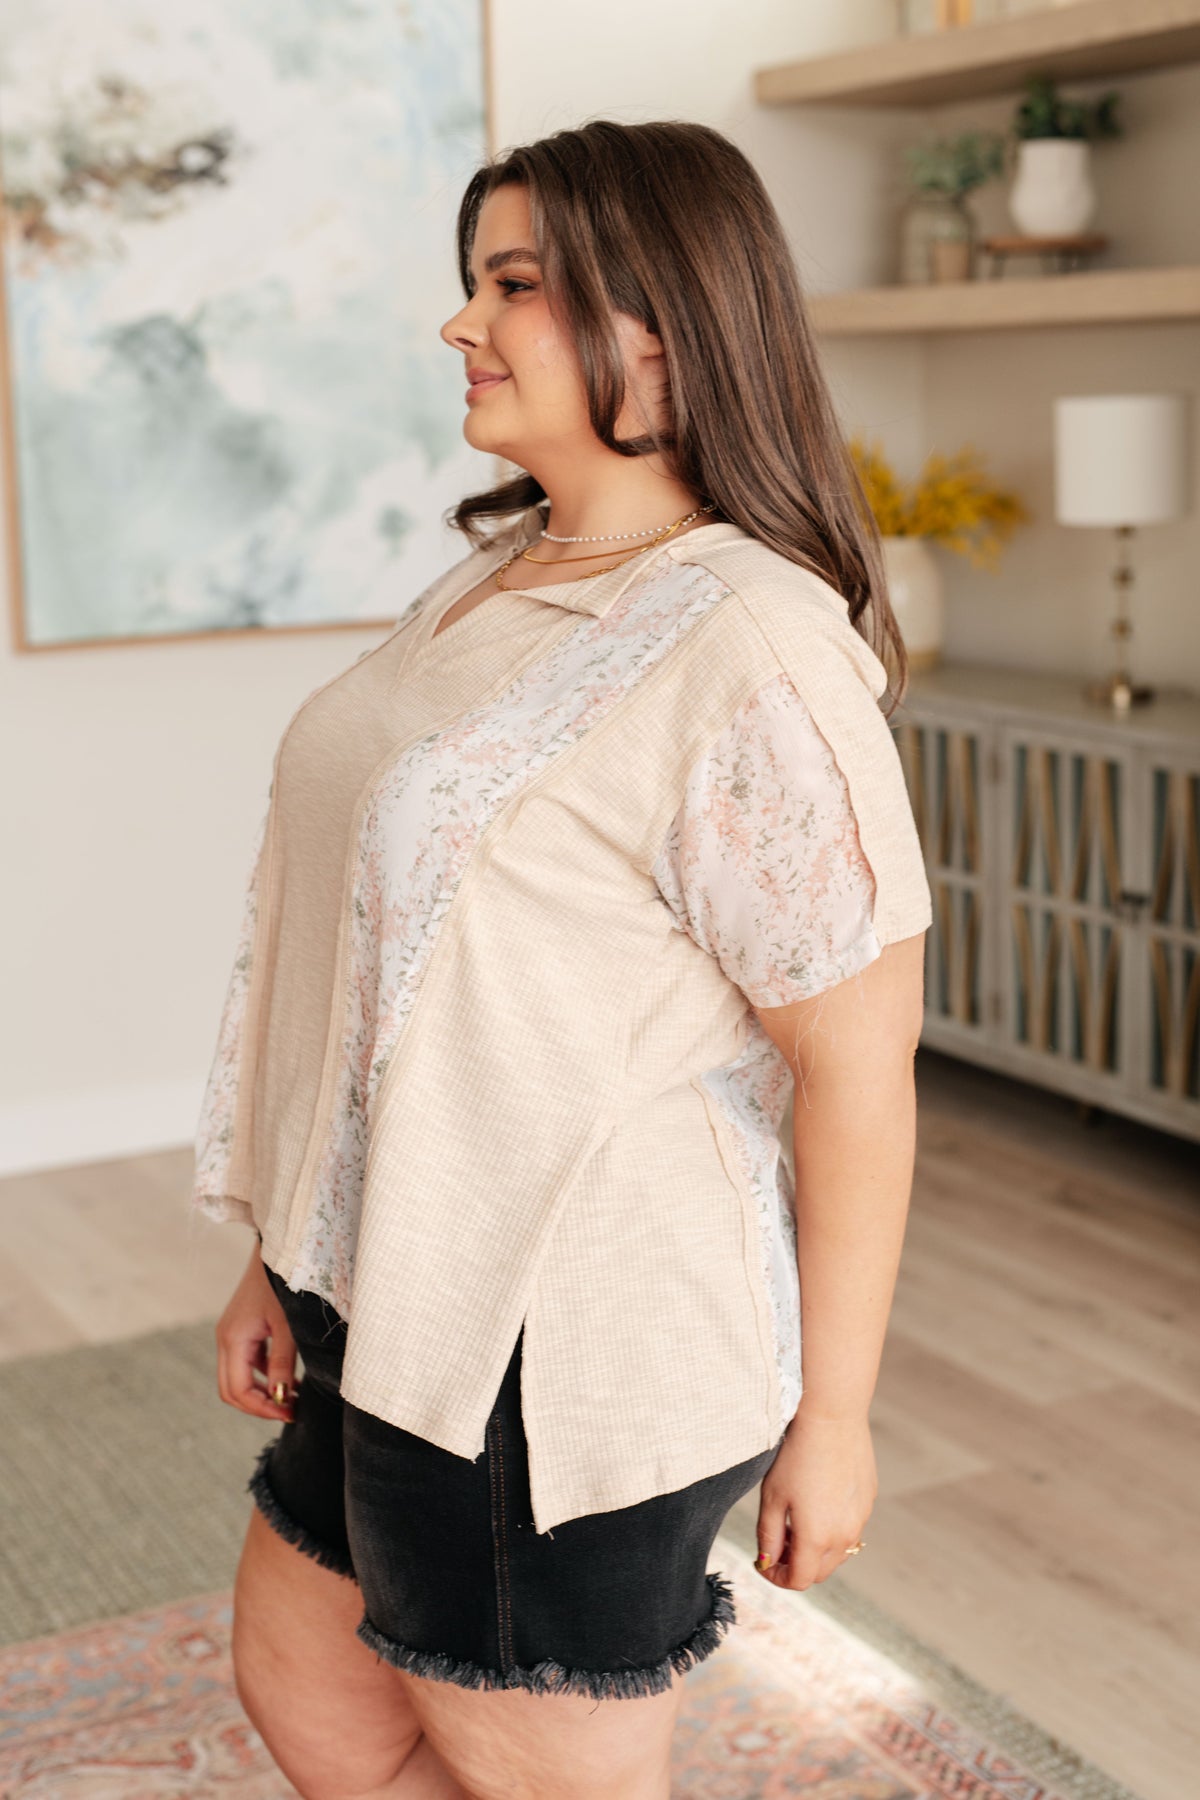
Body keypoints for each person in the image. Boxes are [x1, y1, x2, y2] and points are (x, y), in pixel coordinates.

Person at [194, 118, 932, 1800]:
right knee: (309, 1688)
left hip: (557, 1347)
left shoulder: (750, 645)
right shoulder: (504, 574)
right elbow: (373, 960)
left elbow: (856, 1064)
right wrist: (282, 1251)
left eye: (514, 284)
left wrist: (835, 1417)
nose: (461, 322)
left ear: (665, 326)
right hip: (383, 1285)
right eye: (475, 281)